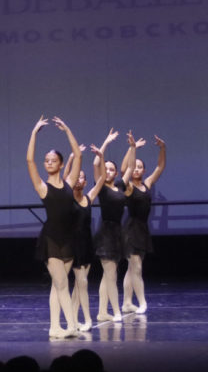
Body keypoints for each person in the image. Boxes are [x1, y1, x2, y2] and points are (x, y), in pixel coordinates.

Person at [26, 116, 81, 338]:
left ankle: (54, 327)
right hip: (51, 240)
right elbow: (29, 161)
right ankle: (72, 326)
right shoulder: (42, 187)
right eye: (46, 160)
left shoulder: (69, 183)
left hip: (69, 239)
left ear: (60, 163)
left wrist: (67, 129)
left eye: (52, 160)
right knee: (61, 284)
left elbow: (77, 155)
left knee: (57, 286)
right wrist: (33, 133)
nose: (48, 163)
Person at [121, 133, 166, 314]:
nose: (137, 169)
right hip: (130, 230)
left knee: (131, 270)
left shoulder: (147, 184)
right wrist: (132, 148)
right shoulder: (129, 187)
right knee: (137, 267)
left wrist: (162, 148)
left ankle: (126, 303)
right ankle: (142, 302)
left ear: (144, 171)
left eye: (140, 167)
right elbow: (125, 168)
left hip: (143, 230)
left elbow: (160, 167)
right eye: (136, 167)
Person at [63, 144, 106, 331]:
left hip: (87, 244)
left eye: (82, 177)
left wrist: (101, 157)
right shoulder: (67, 197)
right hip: (71, 245)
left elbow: (103, 178)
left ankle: (73, 320)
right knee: (82, 283)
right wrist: (72, 158)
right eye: (77, 176)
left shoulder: (89, 197)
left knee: (79, 285)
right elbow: (65, 178)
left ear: (86, 183)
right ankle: (87, 319)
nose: (79, 179)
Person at [93, 129, 134, 322]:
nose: (108, 172)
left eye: (111, 170)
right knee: (111, 275)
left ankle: (102, 312)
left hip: (118, 232)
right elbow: (95, 164)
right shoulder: (101, 187)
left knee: (108, 275)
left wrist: (132, 148)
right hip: (106, 233)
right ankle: (116, 311)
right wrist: (105, 144)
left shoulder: (119, 186)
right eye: (105, 169)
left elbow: (130, 169)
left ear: (116, 173)